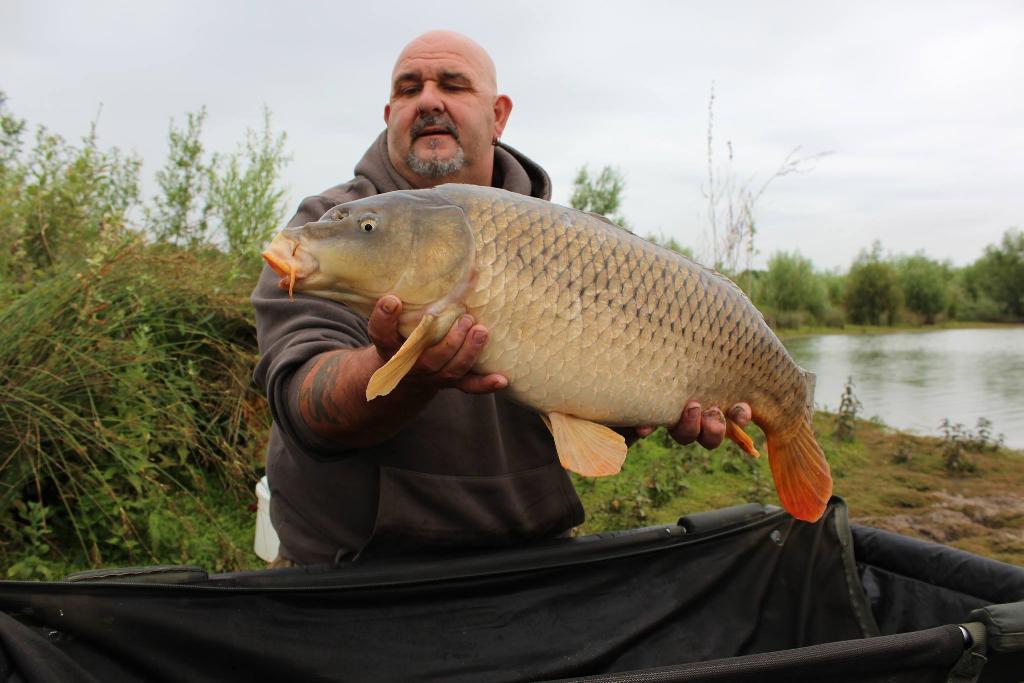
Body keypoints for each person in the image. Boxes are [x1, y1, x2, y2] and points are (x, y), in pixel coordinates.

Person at [252, 30, 751, 566]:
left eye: (453, 85)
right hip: (349, 567)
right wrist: (402, 371)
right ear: (389, 112)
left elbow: (604, 419)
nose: (428, 100)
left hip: (532, 559)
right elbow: (303, 405)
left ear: (499, 115)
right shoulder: (331, 224)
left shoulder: (577, 244)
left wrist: (647, 412)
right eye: (408, 88)